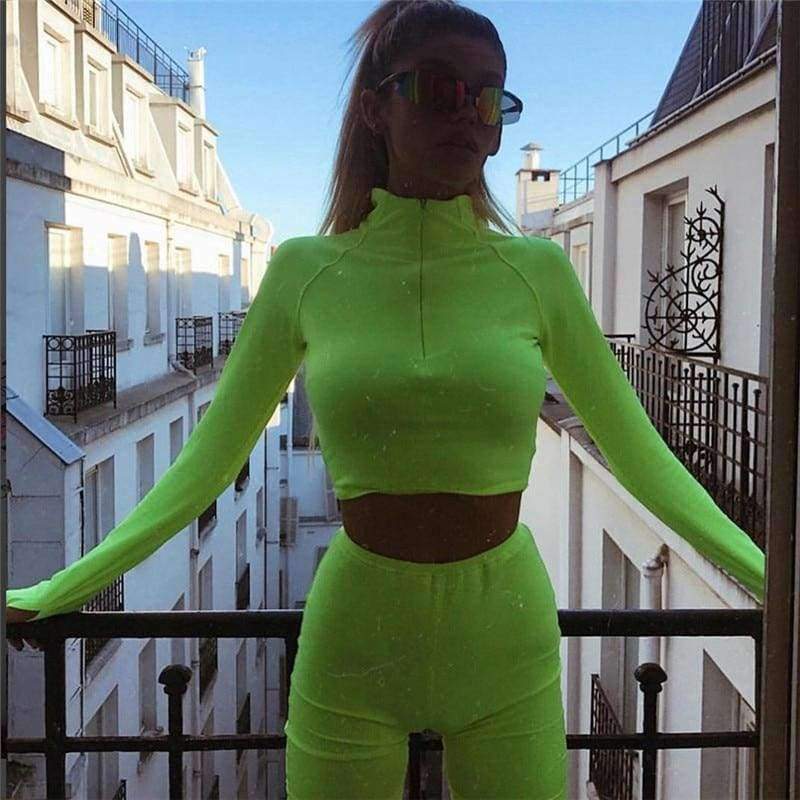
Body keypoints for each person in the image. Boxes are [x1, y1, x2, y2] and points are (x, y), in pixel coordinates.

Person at [6, 1, 765, 797]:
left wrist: (772, 580)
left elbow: (641, 458)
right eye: (439, 89)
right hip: (356, 639)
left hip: (504, 635)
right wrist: (62, 591)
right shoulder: (305, 272)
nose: (468, 115)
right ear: (375, 108)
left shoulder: (539, 273)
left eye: (489, 98)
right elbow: (208, 463)